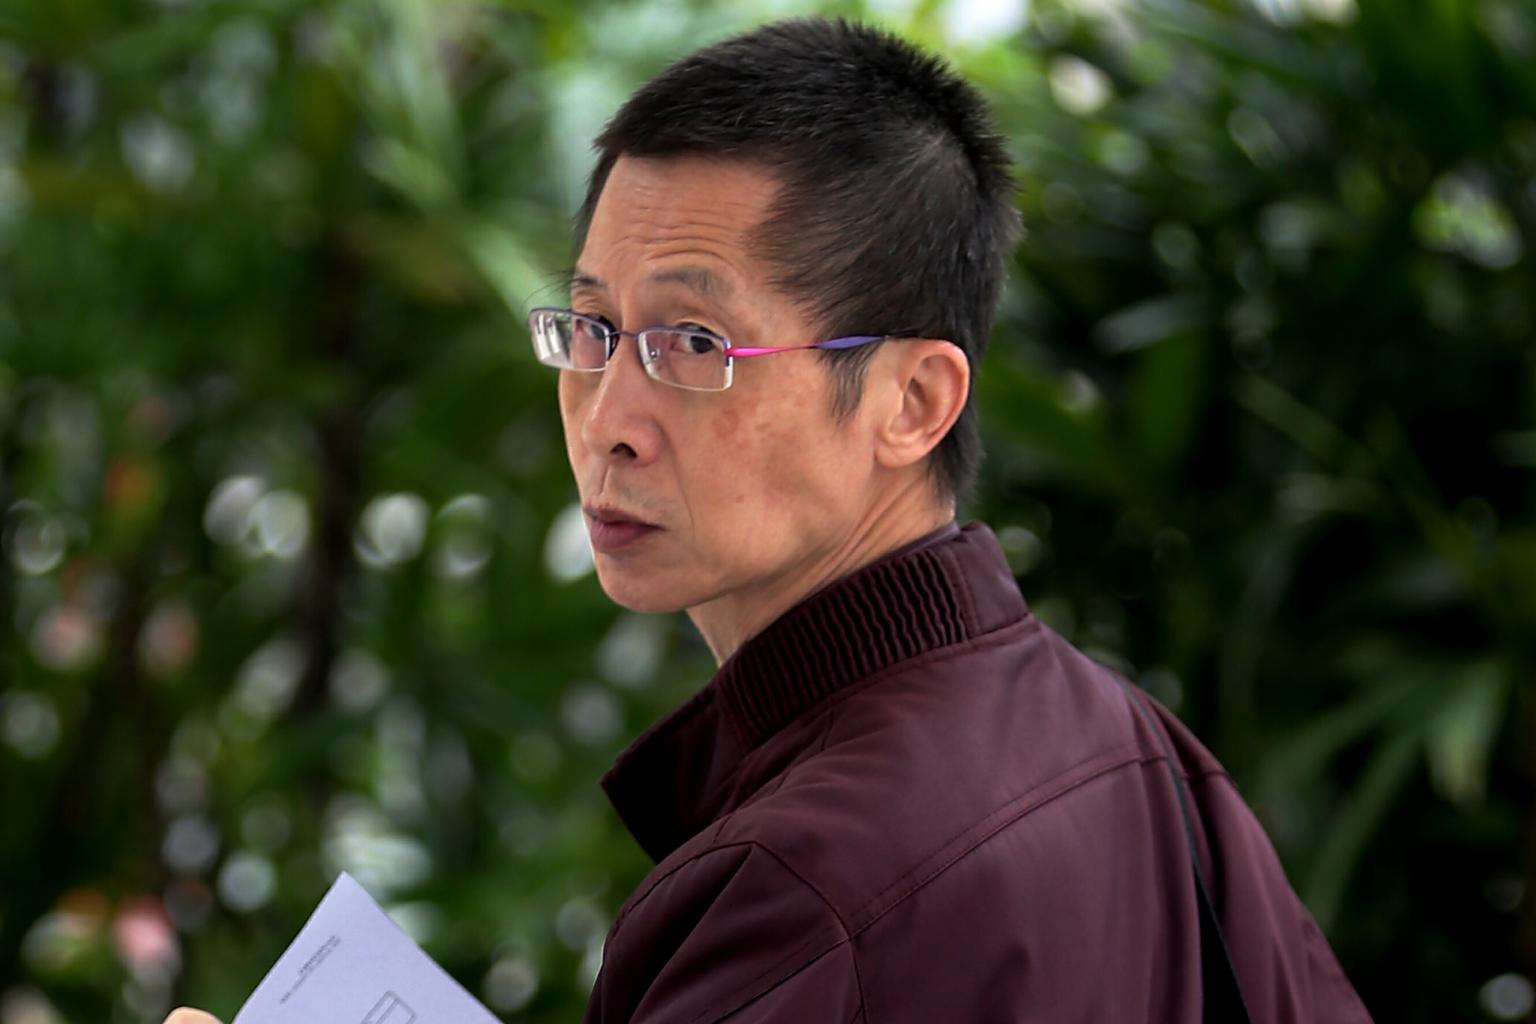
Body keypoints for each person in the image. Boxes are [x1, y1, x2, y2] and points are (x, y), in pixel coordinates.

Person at [168, 17, 1373, 1024]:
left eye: (694, 342)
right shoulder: (1135, 747)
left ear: (914, 400)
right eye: (591, 329)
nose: (609, 419)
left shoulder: (805, 894)